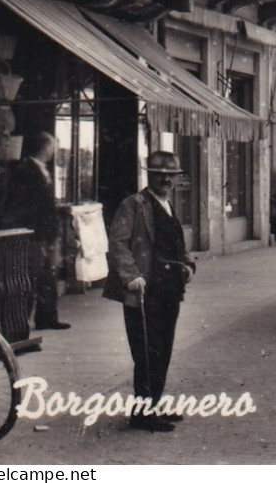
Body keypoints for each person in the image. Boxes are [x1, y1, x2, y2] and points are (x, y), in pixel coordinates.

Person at [104, 150, 196, 432]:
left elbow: (176, 244)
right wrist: (131, 276)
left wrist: (188, 264)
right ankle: (142, 413)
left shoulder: (167, 205)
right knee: (146, 353)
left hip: (169, 291)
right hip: (144, 293)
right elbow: (118, 243)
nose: (166, 180)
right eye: (160, 175)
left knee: (163, 350)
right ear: (150, 176)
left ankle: (152, 404)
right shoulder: (135, 204)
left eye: (171, 175)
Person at [0, 132, 69, 331]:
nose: (53, 150)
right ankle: (20, 326)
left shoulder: (40, 170)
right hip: (34, 235)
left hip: (44, 234)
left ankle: (47, 317)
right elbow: (27, 206)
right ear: (45, 147)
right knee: (31, 278)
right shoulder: (26, 171)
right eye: (52, 146)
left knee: (48, 276)